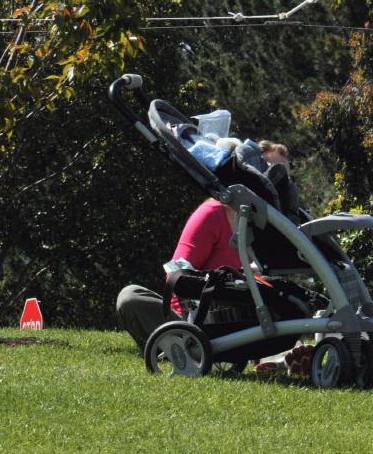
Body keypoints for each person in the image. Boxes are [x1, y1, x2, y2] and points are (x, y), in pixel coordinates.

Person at [115, 141, 289, 351]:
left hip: (247, 322)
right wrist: (188, 323)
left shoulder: (275, 228)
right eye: (270, 174)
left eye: (284, 178)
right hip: (197, 319)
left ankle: (185, 350)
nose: (277, 186)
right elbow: (177, 275)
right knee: (129, 297)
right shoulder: (212, 214)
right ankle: (181, 345)